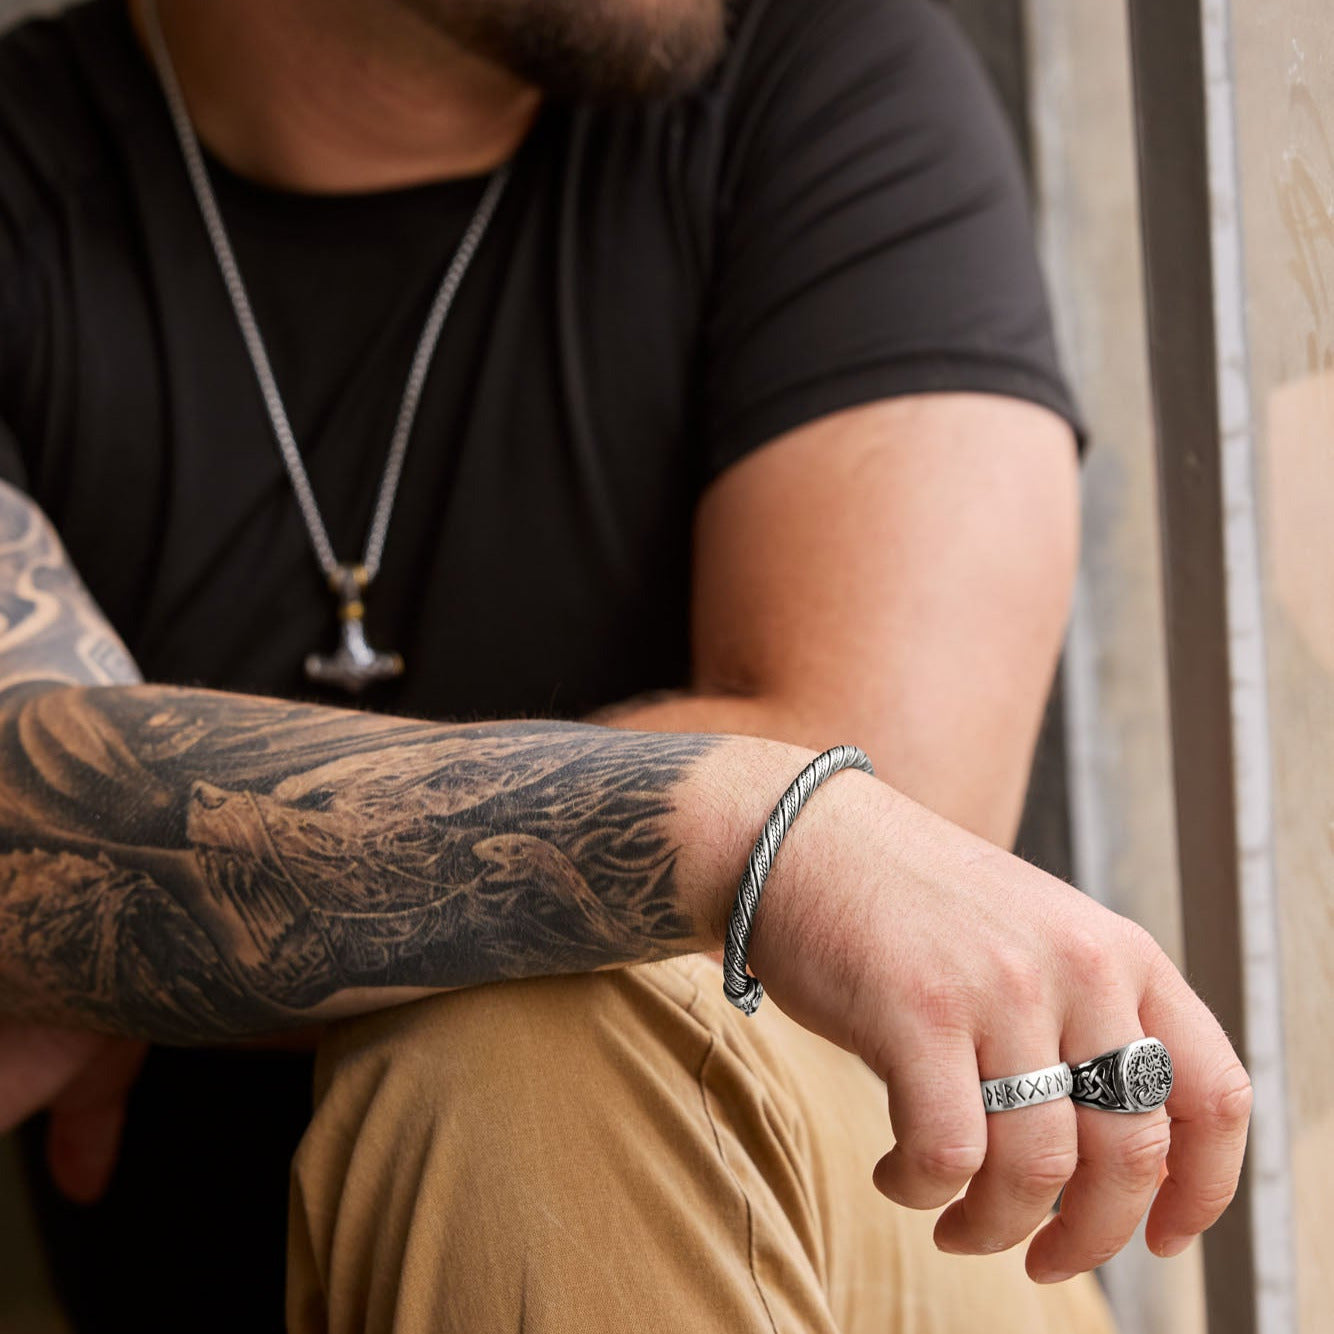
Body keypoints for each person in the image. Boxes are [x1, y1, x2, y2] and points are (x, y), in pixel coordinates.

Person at [0, 0, 1250, 1331]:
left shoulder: (825, 76)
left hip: (840, 1235)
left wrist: (145, 925)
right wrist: (729, 824)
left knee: (525, 1047)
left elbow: (901, 814)